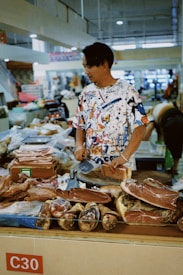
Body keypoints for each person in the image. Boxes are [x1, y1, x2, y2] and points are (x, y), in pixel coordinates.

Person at [72, 42, 148, 170]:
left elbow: (140, 126)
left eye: (89, 66)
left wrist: (125, 156)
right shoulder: (86, 93)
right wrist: (79, 146)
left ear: (104, 65)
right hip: (92, 167)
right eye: (84, 66)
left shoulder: (127, 91)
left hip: (120, 166)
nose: (86, 71)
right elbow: (80, 125)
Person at [143, 101, 183, 176]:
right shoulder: (160, 106)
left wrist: (142, 144)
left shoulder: (149, 115)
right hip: (180, 118)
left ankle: (169, 168)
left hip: (170, 120)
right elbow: (160, 133)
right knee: (178, 144)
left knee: (170, 144)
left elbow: (150, 128)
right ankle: (175, 168)